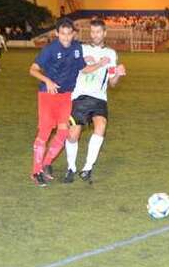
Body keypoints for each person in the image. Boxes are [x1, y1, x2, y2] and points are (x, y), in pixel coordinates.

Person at [29, 18, 92, 186]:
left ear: (73, 34)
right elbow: (33, 70)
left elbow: (82, 68)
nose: (66, 37)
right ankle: (36, 171)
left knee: (63, 132)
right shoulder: (50, 49)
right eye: (62, 34)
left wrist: (101, 64)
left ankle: (46, 164)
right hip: (48, 95)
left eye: (69, 34)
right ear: (57, 33)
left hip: (66, 96)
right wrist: (47, 81)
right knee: (45, 132)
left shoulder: (77, 47)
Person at [64, 19, 126, 184]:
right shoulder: (82, 49)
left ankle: (87, 168)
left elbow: (112, 83)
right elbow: (82, 69)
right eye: (92, 32)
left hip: (99, 98)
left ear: (104, 33)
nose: (95, 35)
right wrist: (97, 63)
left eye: (98, 32)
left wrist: (118, 73)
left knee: (101, 126)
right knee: (73, 135)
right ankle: (71, 167)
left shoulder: (111, 54)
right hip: (80, 96)